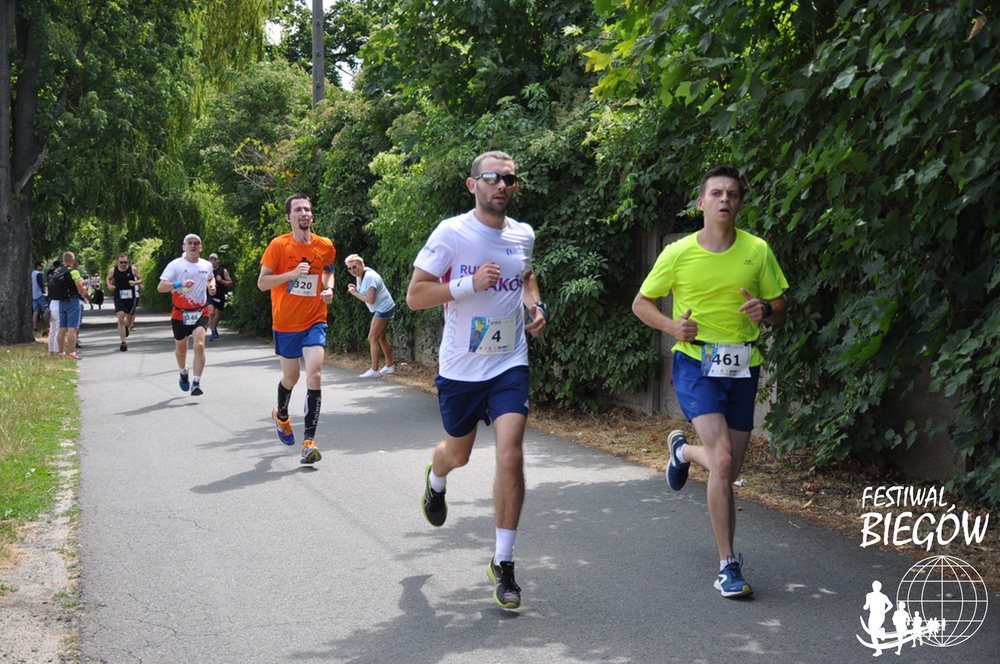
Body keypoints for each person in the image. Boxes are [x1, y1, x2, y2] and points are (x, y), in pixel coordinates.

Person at [631, 165, 788, 599]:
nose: (724, 200)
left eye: (732, 194)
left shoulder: (757, 250)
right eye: (716, 193)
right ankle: (727, 565)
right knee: (722, 461)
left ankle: (682, 451)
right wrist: (671, 327)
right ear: (701, 202)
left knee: (729, 468)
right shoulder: (678, 253)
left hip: (743, 365)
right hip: (695, 362)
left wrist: (766, 310)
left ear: (740, 204)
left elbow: (780, 306)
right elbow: (641, 303)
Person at [406, 150, 547, 610]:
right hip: (461, 368)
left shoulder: (523, 233)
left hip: (509, 362)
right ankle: (437, 477)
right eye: (492, 178)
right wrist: (469, 285)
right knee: (458, 454)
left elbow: (526, 276)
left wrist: (535, 306)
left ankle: (503, 563)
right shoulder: (452, 233)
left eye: (509, 179)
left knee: (511, 452)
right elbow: (415, 296)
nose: (502, 185)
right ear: (473, 185)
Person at [257, 194, 336, 465]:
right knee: (291, 377)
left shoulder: (324, 245)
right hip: (286, 323)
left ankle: (308, 442)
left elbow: (328, 271)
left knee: (315, 375)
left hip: (315, 319)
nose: (304, 213)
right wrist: (291, 275)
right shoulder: (278, 246)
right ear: (288, 217)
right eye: (298, 209)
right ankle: (281, 415)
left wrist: (328, 288)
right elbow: (262, 283)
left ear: (311, 215)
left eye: (307, 209)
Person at [157, 234, 216, 396]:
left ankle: (196, 382)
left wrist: (212, 286)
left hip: (200, 310)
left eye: (196, 243)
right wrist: (179, 284)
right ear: (184, 247)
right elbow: (161, 287)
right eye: (189, 243)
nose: (193, 246)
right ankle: (183, 371)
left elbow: (210, 278)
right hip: (180, 312)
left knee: (199, 345)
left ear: (201, 247)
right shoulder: (175, 265)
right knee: (181, 350)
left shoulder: (206, 265)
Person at [345, 254, 397, 377]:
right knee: (381, 337)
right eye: (349, 268)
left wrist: (354, 293)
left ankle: (374, 370)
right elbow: (365, 292)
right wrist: (356, 290)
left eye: (354, 267)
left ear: (361, 264)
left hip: (383, 308)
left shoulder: (369, 277)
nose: (352, 270)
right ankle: (390, 366)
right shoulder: (360, 276)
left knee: (372, 337)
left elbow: (370, 299)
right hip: (383, 307)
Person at [51, 252, 90, 359]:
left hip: (61, 301)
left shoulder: (58, 271)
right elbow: (80, 289)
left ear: (64, 260)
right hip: (73, 301)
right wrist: (88, 297)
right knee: (72, 328)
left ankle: (61, 353)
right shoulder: (74, 272)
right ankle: (72, 353)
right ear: (73, 260)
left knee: (62, 328)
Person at [108, 253, 142, 352]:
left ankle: (127, 326)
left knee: (129, 320)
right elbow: (108, 279)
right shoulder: (113, 270)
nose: (123, 264)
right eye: (121, 262)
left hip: (131, 297)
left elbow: (141, 279)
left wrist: (135, 282)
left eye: (125, 262)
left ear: (128, 262)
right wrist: (109, 285)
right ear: (118, 262)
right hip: (119, 296)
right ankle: (123, 342)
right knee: (120, 317)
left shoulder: (133, 269)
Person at [206, 252, 233, 341]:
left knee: (219, 314)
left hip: (220, 296)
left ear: (218, 261)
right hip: (209, 295)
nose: (213, 261)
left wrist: (221, 281)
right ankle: (213, 332)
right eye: (211, 259)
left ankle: (214, 328)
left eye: (214, 259)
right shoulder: (206, 271)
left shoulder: (223, 270)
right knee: (211, 312)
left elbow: (230, 283)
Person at [863, 580, 894, 656]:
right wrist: (865, 607)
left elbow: (890, 605)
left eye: (876, 586)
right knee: (872, 633)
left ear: (879, 587)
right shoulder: (870, 595)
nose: (875, 587)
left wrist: (884, 611)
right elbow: (867, 605)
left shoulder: (881, 596)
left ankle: (880, 633)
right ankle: (880, 633)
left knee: (873, 633)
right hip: (874, 615)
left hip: (878, 615)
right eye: (874, 586)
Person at [31, 262, 47, 334]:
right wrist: (48, 284)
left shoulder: (32, 273)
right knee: (47, 310)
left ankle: (35, 328)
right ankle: (47, 328)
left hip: (34, 295)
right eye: (41, 266)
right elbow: (41, 284)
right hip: (39, 295)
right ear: (37, 266)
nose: (42, 267)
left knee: (35, 312)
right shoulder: (38, 274)